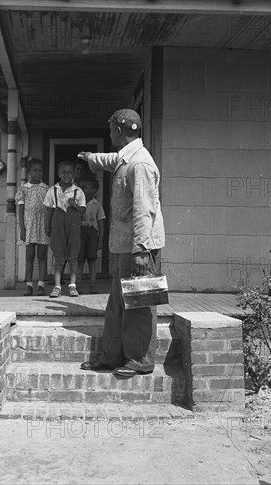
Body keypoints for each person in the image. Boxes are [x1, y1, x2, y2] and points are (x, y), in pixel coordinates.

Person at [78, 109, 165, 377]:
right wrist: (92, 158)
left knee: (138, 305)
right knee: (117, 303)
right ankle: (114, 354)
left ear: (118, 130)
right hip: (122, 245)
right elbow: (111, 159)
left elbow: (144, 209)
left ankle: (140, 359)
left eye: (110, 129)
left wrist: (141, 250)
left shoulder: (140, 164)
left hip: (138, 247)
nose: (109, 133)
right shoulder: (127, 156)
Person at [44, 160, 86, 298]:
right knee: (59, 256)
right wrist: (47, 226)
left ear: (74, 174)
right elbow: (49, 210)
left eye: (69, 172)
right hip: (58, 223)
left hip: (73, 225)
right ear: (58, 174)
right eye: (63, 172)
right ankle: (57, 287)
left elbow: (82, 210)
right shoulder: (53, 190)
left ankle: (72, 286)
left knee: (73, 255)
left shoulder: (78, 191)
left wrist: (74, 205)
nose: (66, 175)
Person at [15, 158, 49, 296]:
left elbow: (50, 208)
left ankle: (41, 284)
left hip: (42, 225)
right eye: (35, 170)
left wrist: (48, 226)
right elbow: (20, 210)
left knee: (42, 255)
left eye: (40, 170)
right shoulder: (23, 189)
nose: (38, 173)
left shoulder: (46, 189)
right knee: (30, 256)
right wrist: (22, 228)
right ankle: (29, 285)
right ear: (29, 172)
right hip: (29, 226)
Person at [78, 178, 105, 294]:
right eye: (81, 187)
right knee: (79, 261)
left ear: (93, 190)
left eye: (85, 187)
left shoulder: (97, 205)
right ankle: (77, 286)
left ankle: (93, 285)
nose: (82, 190)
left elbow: (101, 223)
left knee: (92, 261)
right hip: (80, 233)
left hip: (92, 234)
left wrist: (100, 240)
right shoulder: (78, 204)